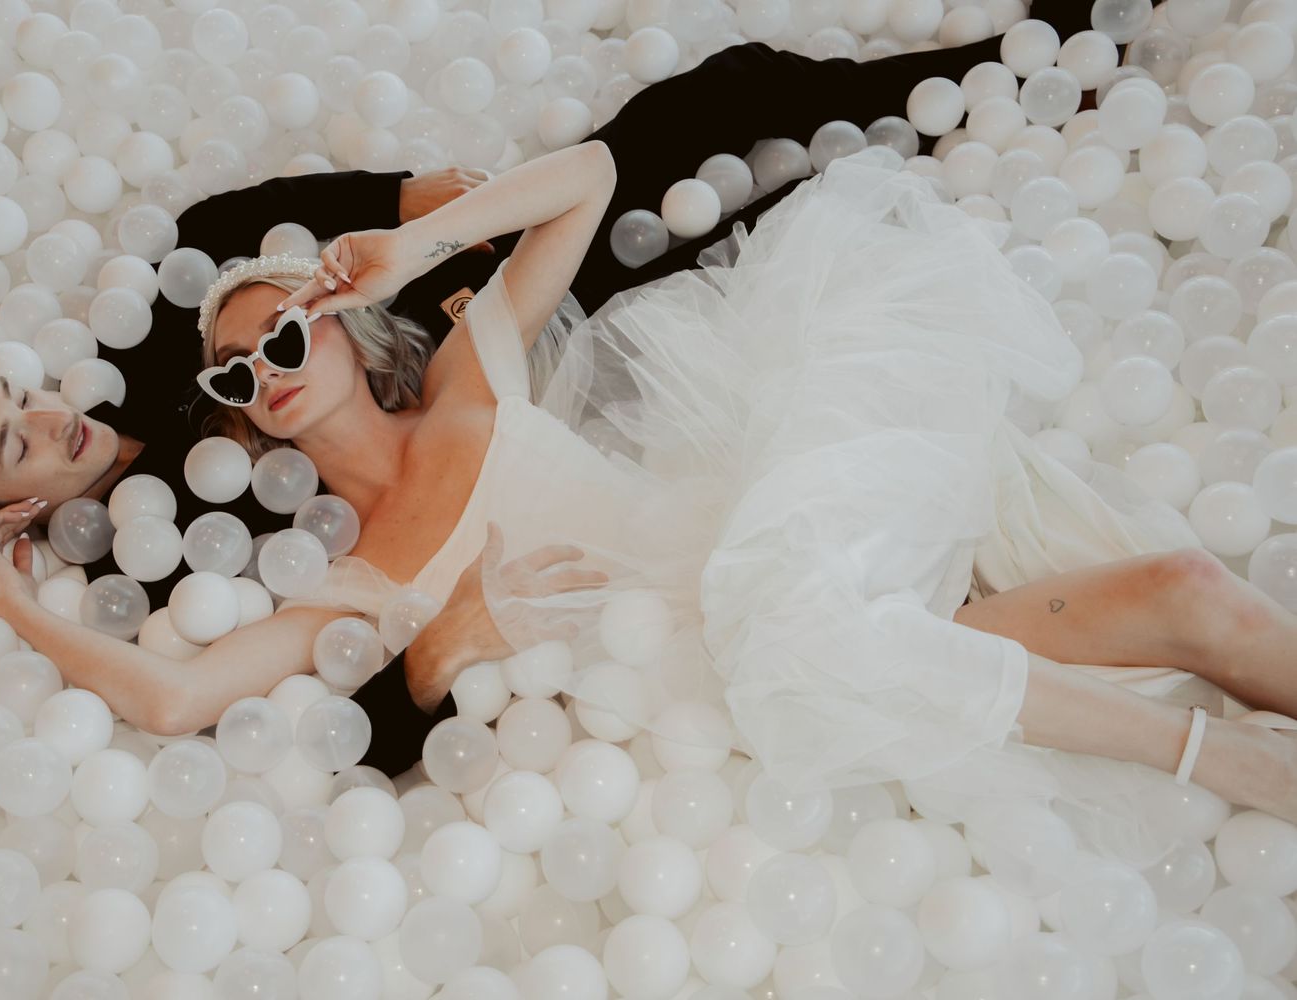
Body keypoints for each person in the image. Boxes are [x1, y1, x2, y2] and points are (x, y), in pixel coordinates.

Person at [0, 3, 1110, 775]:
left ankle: (999, 71)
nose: (51, 417)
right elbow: (337, 664)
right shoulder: (178, 567)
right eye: (20, 449)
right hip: (494, 465)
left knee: (715, 102)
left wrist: (424, 237)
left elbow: (315, 215)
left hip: (460, 324)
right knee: (742, 245)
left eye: (15, 393)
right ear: (8, 514)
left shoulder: (163, 311)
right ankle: (913, 174)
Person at [158, 135, 1297, 866]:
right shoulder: (350, 581)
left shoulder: (468, 377)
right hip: (749, 700)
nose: (269, 368)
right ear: (238, 415)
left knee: (1193, 586)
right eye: (237, 373)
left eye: (286, 332)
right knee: (1170, 597)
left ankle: (1207, 744)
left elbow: (590, 179)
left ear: (346, 325)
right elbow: (175, 699)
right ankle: (1205, 754)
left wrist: (412, 243)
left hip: (799, 556)